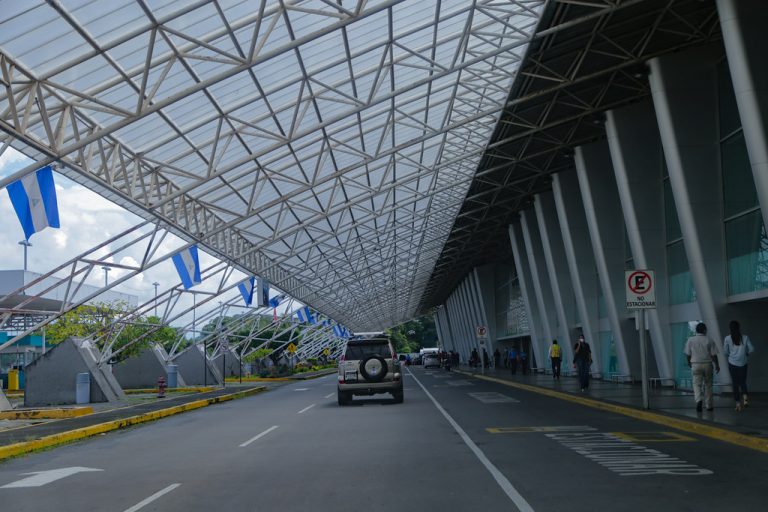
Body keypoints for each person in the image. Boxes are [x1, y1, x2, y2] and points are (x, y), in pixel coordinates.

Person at [684, 322, 720, 412]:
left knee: (696, 384)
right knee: (708, 385)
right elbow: (714, 354)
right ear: (704, 330)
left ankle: (699, 400)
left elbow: (688, 354)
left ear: (696, 330)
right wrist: (717, 365)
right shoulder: (709, 339)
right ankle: (709, 405)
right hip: (707, 364)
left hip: (695, 364)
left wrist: (689, 363)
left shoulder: (690, 340)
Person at [723, 320, 754, 412]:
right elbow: (752, 349)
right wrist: (746, 353)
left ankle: (738, 404)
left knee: (735, 383)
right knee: (743, 382)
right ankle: (745, 399)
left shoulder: (727, 338)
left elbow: (725, 352)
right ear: (739, 328)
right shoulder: (745, 337)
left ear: (730, 328)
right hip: (743, 363)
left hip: (732, 363)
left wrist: (730, 354)